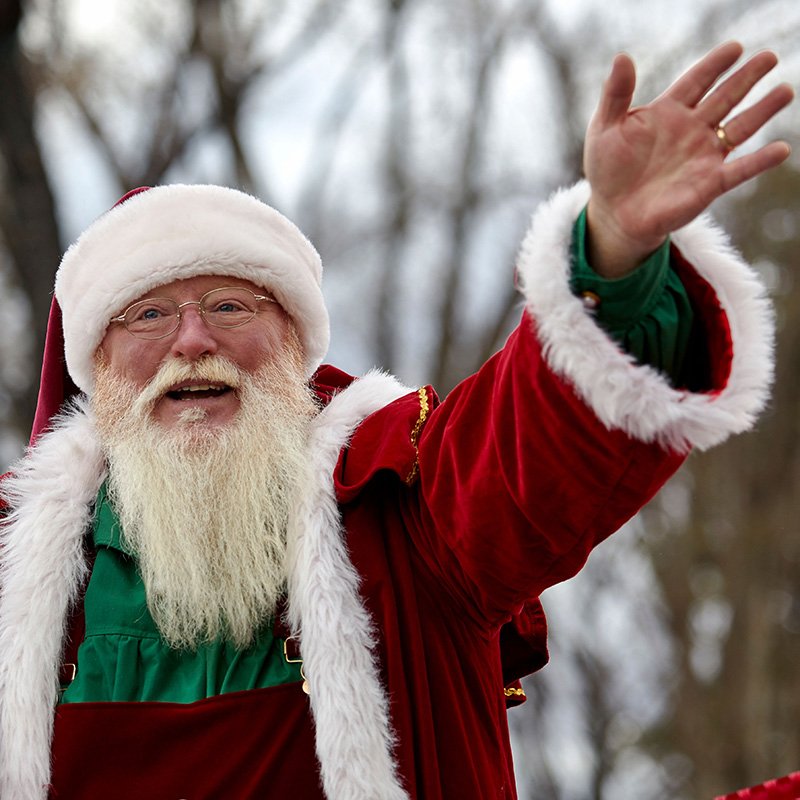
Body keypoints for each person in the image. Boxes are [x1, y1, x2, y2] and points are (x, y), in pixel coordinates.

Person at [0, 41, 793, 800]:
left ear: (294, 347)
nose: (193, 340)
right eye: (146, 314)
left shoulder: (403, 506)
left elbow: (525, 441)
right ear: (96, 370)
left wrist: (613, 253)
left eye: (229, 304)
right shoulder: (17, 576)